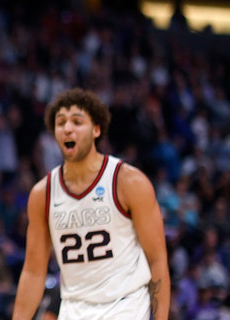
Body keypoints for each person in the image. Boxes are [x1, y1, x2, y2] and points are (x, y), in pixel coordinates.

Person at [12, 88, 170, 319]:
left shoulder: (128, 182)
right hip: (73, 308)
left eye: (77, 122)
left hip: (126, 306)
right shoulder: (42, 194)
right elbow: (34, 271)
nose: (67, 128)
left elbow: (157, 260)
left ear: (96, 129)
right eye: (61, 123)